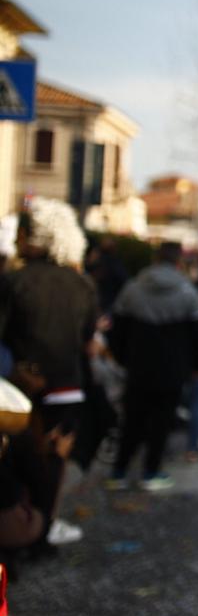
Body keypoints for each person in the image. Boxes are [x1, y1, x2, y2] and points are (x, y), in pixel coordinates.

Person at [0, 200, 99, 546]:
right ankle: (45, 525)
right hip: (67, 384)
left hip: (19, 388)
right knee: (55, 459)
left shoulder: (14, 281)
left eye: (23, 233)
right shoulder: (81, 284)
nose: (18, 240)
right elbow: (88, 339)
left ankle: (21, 524)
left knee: (17, 459)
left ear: (37, 237)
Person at [106, 242, 198, 491]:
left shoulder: (132, 289)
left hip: (139, 365)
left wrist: (122, 358)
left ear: (154, 259)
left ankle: (119, 472)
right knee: (161, 422)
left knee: (132, 419)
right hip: (173, 367)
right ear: (178, 261)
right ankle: (151, 472)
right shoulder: (188, 292)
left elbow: (117, 330)